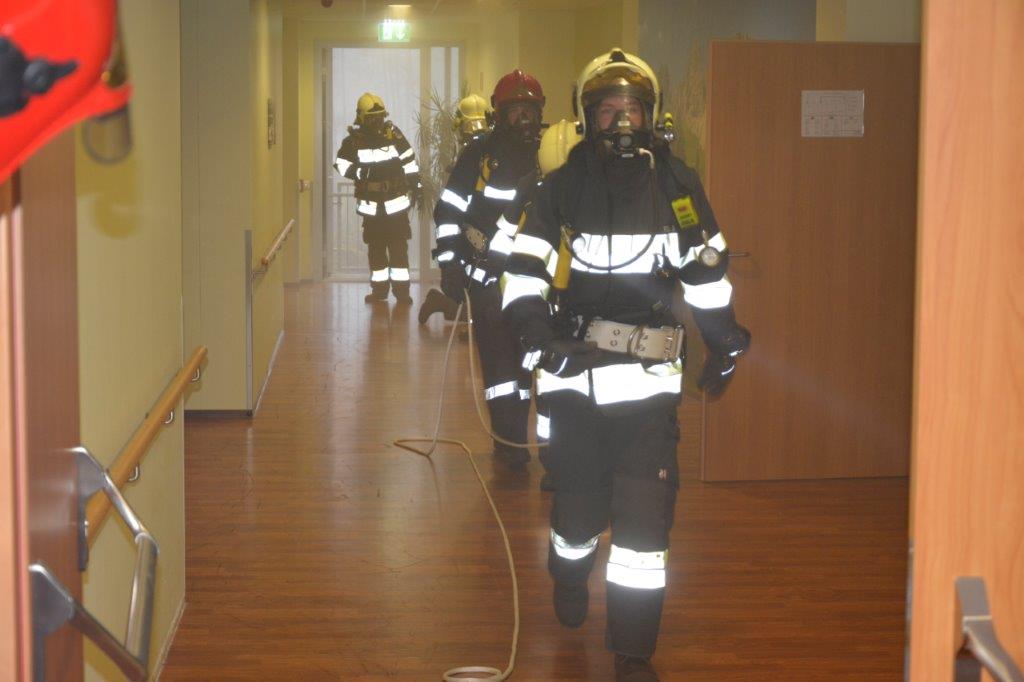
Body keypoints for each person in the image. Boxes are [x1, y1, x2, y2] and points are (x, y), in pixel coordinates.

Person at [500, 49, 750, 681]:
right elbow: (523, 274)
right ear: (586, 118)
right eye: (607, 110)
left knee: (644, 530)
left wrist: (725, 343)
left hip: (648, 394)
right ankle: (568, 572)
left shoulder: (677, 187)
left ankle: (633, 653)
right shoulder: (560, 189)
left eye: (631, 109)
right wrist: (536, 337)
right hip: (575, 386)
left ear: (650, 115)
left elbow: (706, 276)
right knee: (577, 520)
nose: (620, 123)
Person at [431, 70, 545, 468]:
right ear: (499, 114)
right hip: (487, 279)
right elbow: (448, 210)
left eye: (529, 111)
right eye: (515, 112)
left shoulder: (552, 154)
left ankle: (552, 455)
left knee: (537, 365)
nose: (523, 120)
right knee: (499, 368)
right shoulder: (479, 154)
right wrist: (449, 263)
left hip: (538, 283)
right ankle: (508, 443)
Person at [334, 92, 420, 303]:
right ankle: (379, 291)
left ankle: (402, 293)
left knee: (399, 251)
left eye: (380, 117)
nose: (377, 121)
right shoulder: (354, 142)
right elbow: (340, 164)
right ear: (361, 118)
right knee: (376, 252)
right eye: (372, 118)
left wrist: (416, 186)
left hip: (397, 207)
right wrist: (360, 172)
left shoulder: (394, 136)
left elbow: (409, 160)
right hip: (372, 209)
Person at [419, 93, 494, 324]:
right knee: (475, 298)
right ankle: (444, 306)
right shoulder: (480, 150)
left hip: (474, 230)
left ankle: (441, 303)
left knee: (477, 296)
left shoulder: (473, 150)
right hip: (469, 231)